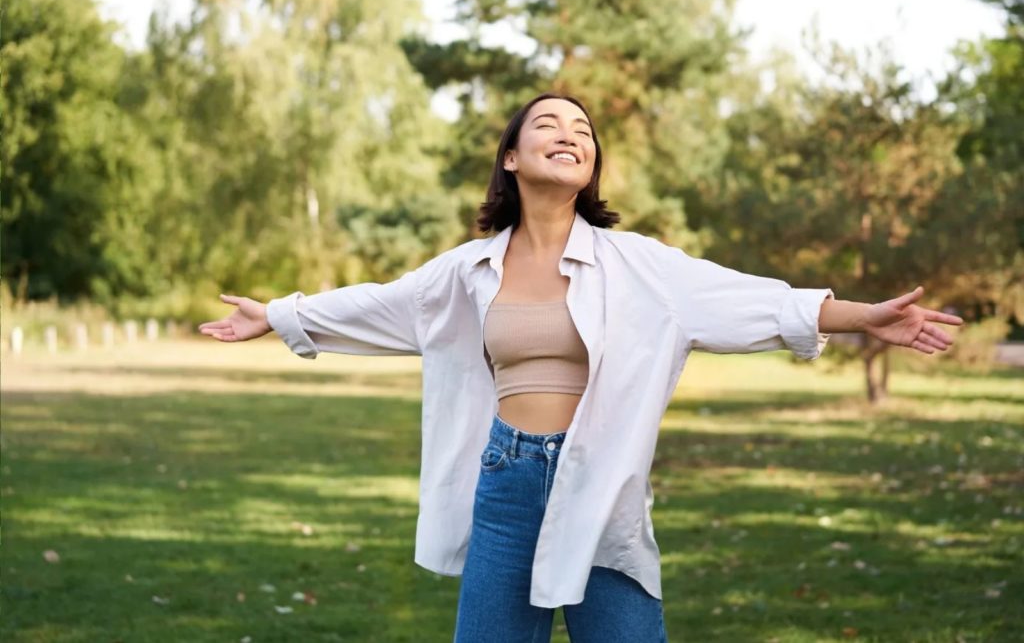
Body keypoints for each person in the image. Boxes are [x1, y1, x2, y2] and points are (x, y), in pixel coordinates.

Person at [199, 92, 963, 642]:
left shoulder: (639, 266)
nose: (570, 134)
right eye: (548, 125)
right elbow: (382, 306)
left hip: (602, 486)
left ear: (591, 163)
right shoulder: (467, 270)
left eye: (584, 130)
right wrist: (279, 315)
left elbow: (753, 302)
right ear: (511, 156)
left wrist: (865, 316)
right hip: (505, 485)